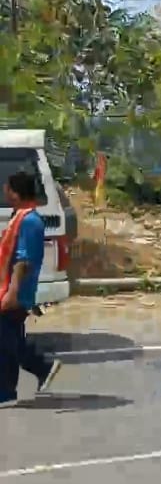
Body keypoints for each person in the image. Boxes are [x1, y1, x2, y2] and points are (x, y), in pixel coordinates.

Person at [0, 172, 63, 405]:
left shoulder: (29, 221)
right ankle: (37, 371)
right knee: (9, 340)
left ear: (15, 192)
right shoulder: (21, 217)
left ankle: (10, 390)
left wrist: (12, 293)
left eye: (7, 189)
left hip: (17, 291)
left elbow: (23, 261)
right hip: (9, 288)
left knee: (7, 342)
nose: (5, 192)